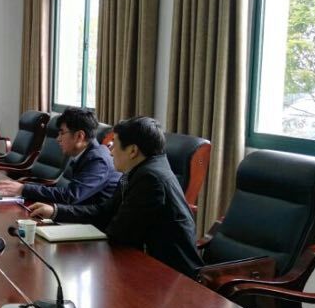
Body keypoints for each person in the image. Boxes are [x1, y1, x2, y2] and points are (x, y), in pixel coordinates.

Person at [29, 116, 203, 278]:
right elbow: (104, 211)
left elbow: (119, 235)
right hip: (145, 265)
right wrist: (55, 211)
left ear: (133, 150)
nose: (110, 152)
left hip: (171, 276)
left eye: (114, 145)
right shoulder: (140, 171)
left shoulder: (151, 180)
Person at [0, 107, 121, 205]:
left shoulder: (98, 160)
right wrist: (22, 189)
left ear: (79, 136)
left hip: (92, 224)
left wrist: (23, 189)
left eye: (62, 133)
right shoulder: (85, 153)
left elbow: (71, 196)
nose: (58, 139)